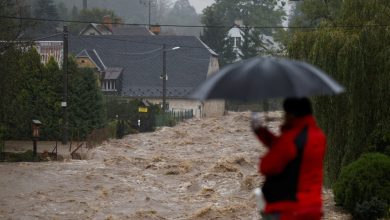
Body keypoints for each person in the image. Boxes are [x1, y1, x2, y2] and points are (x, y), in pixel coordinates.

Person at [252, 97, 326, 220]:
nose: (284, 117)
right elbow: (295, 152)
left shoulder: (289, 139)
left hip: (287, 209)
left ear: (292, 115)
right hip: (312, 207)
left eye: (285, 113)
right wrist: (262, 133)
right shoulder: (318, 136)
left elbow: (266, 167)